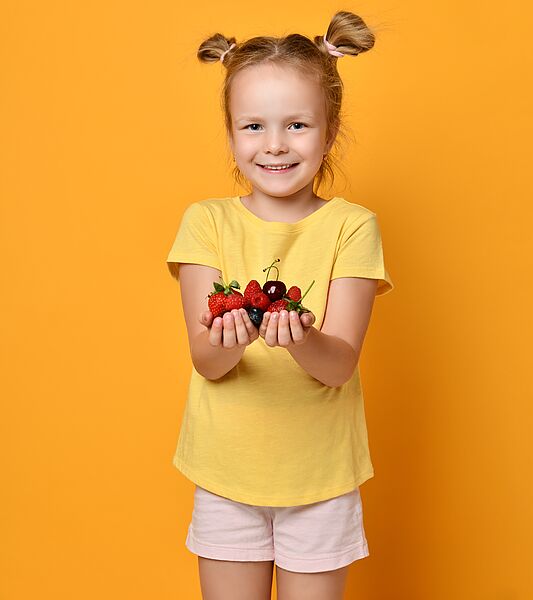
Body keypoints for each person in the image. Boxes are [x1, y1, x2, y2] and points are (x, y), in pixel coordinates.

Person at [166, 11, 394, 600]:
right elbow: (206, 362)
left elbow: (339, 365)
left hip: (320, 479)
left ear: (329, 130)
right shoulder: (206, 222)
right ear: (231, 134)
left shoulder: (353, 227)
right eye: (253, 126)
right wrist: (234, 337)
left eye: (297, 124)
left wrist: (301, 338)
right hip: (226, 476)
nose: (274, 145)